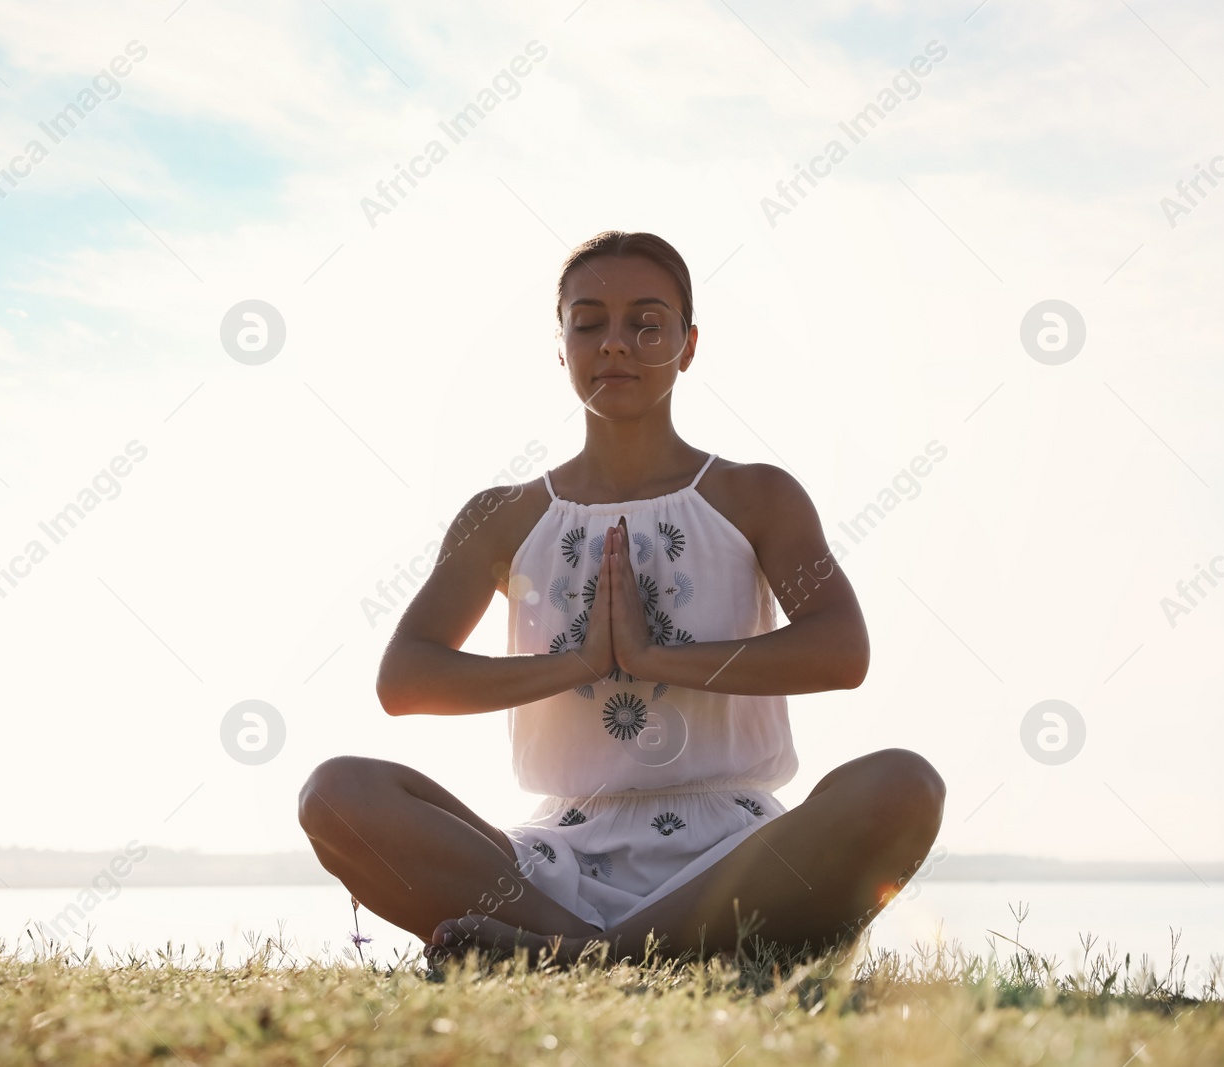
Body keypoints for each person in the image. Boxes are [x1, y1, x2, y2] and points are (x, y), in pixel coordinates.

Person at [296, 230, 945, 967]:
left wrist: (657, 655)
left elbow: (841, 649)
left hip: (737, 862)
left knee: (904, 784)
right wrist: (577, 662)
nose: (615, 344)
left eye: (646, 322)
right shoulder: (502, 515)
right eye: (589, 322)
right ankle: (610, 952)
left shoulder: (756, 495)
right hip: (556, 869)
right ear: (562, 345)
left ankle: (572, 959)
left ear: (688, 345)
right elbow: (406, 678)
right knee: (336, 792)